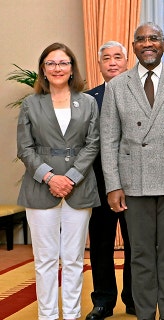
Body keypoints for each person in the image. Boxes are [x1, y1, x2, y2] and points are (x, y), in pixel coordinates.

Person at [100, 22, 164, 320]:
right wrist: (113, 185)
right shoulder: (118, 86)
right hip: (134, 184)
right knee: (141, 256)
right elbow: (109, 140)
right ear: (133, 47)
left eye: (154, 39)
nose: (148, 43)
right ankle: (145, 314)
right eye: (142, 39)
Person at [17, 42, 100, 320]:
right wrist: (50, 177)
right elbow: (24, 148)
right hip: (40, 188)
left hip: (79, 188)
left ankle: (73, 314)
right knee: (46, 260)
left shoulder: (87, 102)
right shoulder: (31, 103)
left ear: (72, 68)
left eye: (63, 63)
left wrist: (71, 178)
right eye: (51, 63)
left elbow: (93, 144)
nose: (57, 68)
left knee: (75, 259)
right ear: (43, 69)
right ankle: (48, 315)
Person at [85, 40, 135, 320]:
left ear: (126, 62)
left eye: (118, 57)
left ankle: (132, 298)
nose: (113, 62)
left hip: (135, 183)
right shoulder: (88, 99)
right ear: (100, 64)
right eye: (107, 58)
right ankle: (103, 301)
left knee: (134, 245)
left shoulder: (140, 93)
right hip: (99, 184)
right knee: (101, 245)